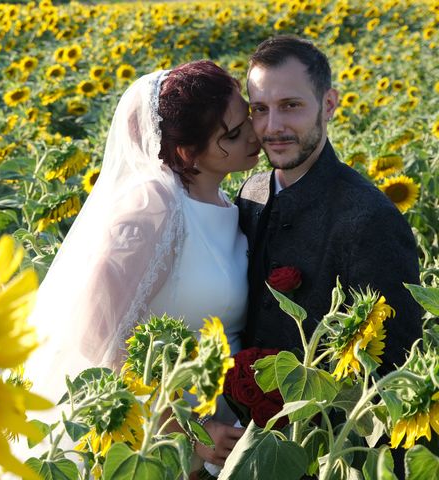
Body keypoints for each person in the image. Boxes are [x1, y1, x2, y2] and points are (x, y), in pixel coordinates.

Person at [23, 60, 261, 472]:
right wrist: (188, 428)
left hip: (222, 435)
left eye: (247, 118)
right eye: (234, 134)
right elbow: (94, 331)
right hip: (148, 444)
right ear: (189, 152)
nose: (255, 134)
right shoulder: (151, 207)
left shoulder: (229, 201)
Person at [237, 36, 421, 476]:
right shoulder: (251, 192)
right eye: (260, 108)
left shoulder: (368, 218)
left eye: (291, 106)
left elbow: (388, 372)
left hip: (328, 452)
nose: (272, 126)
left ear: (329, 103)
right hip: (248, 445)